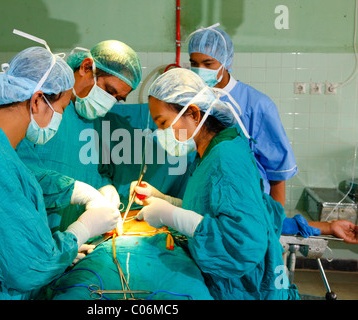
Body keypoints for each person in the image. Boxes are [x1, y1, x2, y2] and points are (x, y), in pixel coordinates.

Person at [0, 45, 120, 300]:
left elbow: (15, 194)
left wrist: (74, 192)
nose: (60, 116)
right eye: (63, 108)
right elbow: (30, 269)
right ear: (36, 100)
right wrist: (80, 232)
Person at [131, 67, 299, 300]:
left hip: (245, 289)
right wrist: (164, 200)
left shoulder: (225, 157)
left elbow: (243, 242)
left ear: (193, 113)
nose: (160, 133)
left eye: (163, 123)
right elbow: (216, 208)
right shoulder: (211, 150)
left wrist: (170, 215)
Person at [186, 24, 358, 242]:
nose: (200, 70)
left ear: (226, 61)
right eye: (194, 63)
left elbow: (277, 173)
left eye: (208, 63)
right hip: (207, 209)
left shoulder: (256, 105)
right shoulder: (194, 103)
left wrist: (274, 226)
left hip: (248, 210)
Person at [16, 40, 142, 231]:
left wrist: (105, 187)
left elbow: (95, 170)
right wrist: (72, 190)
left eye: (117, 99)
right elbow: (16, 170)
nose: (109, 102)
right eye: (109, 91)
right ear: (86, 67)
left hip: (73, 238)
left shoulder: (96, 121)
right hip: (32, 233)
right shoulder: (43, 106)